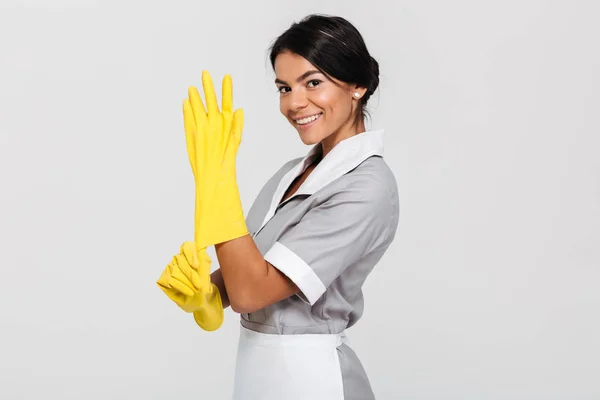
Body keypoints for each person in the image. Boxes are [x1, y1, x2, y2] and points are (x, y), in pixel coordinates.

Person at [157, 14, 399, 400]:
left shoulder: (366, 187)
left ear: (358, 85)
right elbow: (248, 275)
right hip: (257, 370)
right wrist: (207, 294)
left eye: (313, 83)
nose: (294, 103)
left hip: (312, 378)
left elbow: (252, 292)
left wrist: (217, 183)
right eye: (284, 88)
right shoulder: (293, 174)